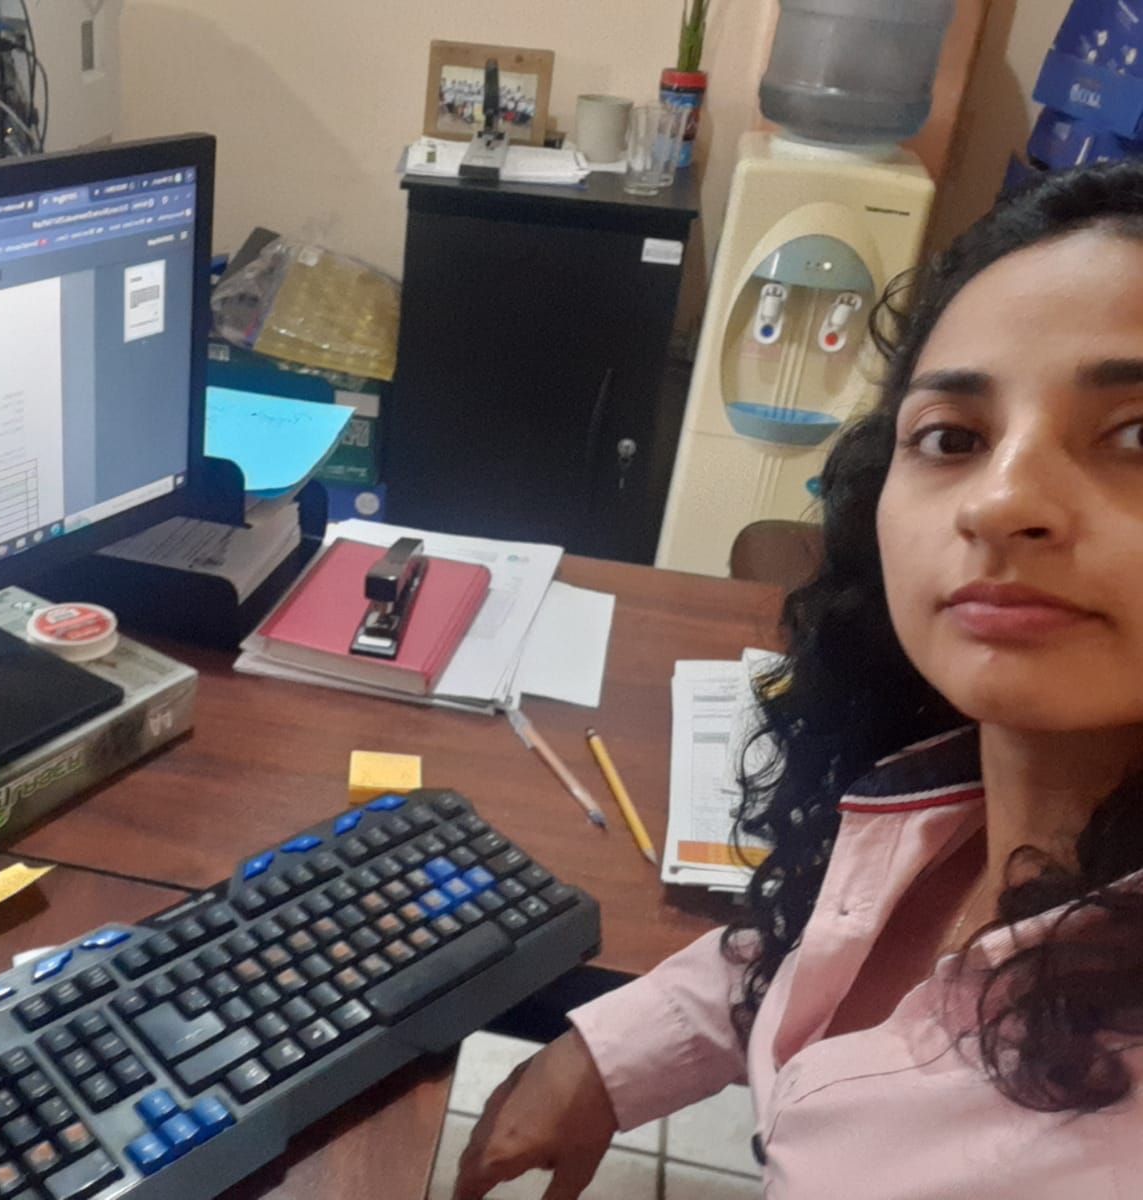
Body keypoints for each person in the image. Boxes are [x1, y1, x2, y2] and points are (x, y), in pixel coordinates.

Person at [454, 161, 1143, 1199]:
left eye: (1136, 435)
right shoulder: (952, 797)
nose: (1000, 501)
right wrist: (610, 1052)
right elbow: (820, 945)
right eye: (952, 437)